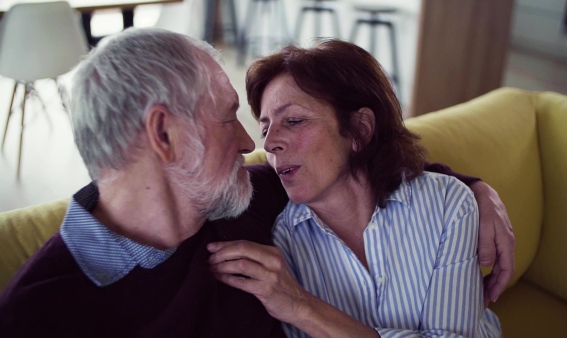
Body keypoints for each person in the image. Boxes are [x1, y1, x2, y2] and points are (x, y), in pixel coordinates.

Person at [0, 29, 513, 337]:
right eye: (230, 118)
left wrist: (472, 190)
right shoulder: (39, 313)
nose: (253, 144)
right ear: (165, 135)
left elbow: (358, 167)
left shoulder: (243, 199)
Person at [208, 40, 504, 337]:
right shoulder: (281, 242)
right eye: (265, 129)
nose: (269, 143)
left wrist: (301, 307)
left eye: (294, 121)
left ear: (360, 129)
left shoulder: (448, 205)